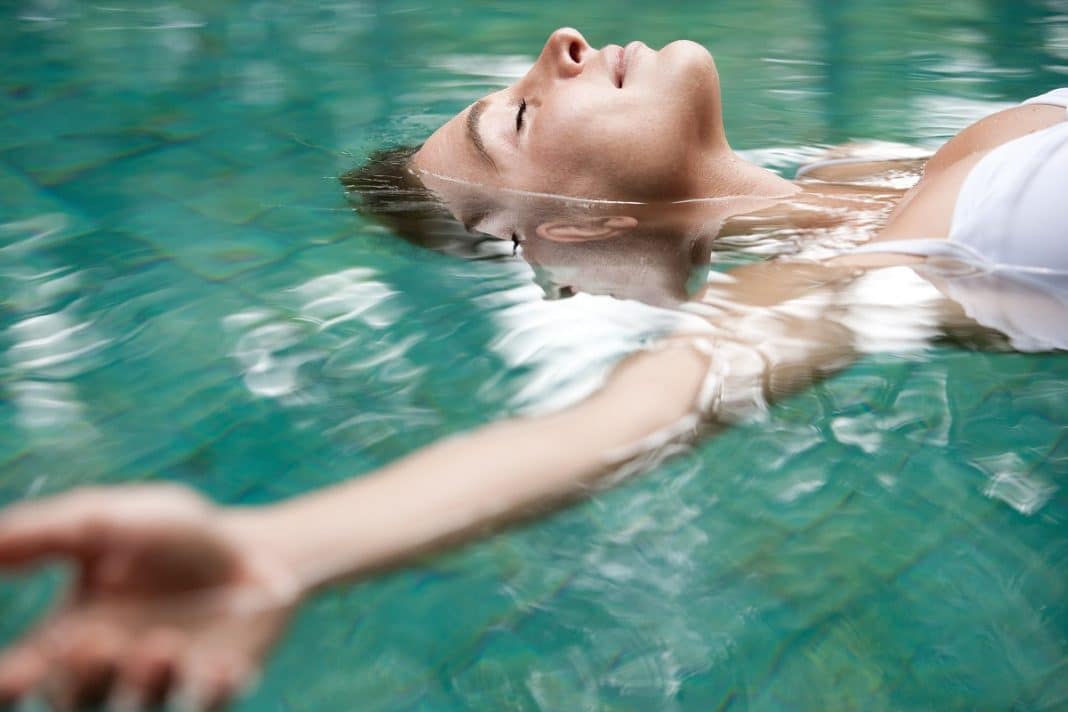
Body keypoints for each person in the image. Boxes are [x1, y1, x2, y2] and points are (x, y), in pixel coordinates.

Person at [0, 27, 1065, 711]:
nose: (561, 41)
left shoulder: (869, 176)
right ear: (580, 228)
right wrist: (275, 550)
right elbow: (616, 420)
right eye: (517, 116)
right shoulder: (832, 283)